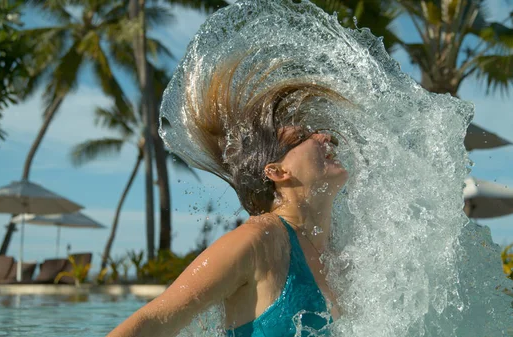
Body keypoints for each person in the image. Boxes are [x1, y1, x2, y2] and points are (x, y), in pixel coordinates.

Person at [108, 45, 351, 335]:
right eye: (303, 137)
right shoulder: (258, 241)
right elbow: (153, 321)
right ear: (277, 171)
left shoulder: (343, 249)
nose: (325, 137)